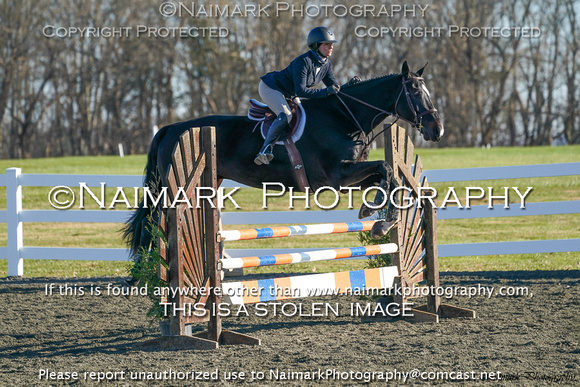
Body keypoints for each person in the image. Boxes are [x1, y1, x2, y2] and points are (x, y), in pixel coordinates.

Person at [254, 26, 341, 165]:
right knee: (286, 115)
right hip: (271, 87)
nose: (331, 47)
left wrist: (350, 87)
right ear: (316, 45)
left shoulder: (326, 64)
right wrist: (325, 92)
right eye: (327, 44)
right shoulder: (304, 61)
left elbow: (334, 87)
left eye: (331, 44)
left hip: (289, 93)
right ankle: (265, 149)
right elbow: (301, 91)